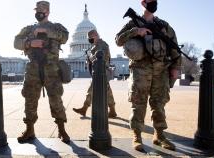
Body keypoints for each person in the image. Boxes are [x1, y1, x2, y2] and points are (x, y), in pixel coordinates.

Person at [115, 0, 181, 151]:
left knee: (159, 103)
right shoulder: (133, 23)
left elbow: (174, 47)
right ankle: (137, 136)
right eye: (151, 1)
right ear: (143, 3)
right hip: (140, 70)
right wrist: (136, 31)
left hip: (161, 70)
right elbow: (118, 40)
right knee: (138, 103)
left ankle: (159, 135)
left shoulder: (164, 25)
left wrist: (176, 67)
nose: (154, 3)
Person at [14, 1, 70, 144]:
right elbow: (16, 42)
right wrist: (29, 43)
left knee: (56, 99)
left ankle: (62, 129)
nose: (39, 11)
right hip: (33, 68)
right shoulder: (29, 29)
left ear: (48, 12)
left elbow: (64, 37)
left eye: (42, 9)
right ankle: (29, 130)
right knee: (30, 99)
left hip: (52, 69)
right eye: (37, 9)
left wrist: (47, 32)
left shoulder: (56, 27)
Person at [73, 29, 117, 118]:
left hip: (102, 72)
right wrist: (88, 58)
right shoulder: (94, 46)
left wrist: (90, 57)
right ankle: (112, 111)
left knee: (91, 90)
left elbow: (101, 59)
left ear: (95, 35)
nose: (89, 40)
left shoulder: (102, 45)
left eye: (90, 38)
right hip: (97, 72)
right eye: (88, 38)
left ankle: (84, 108)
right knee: (107, 91)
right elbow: (92, 60)